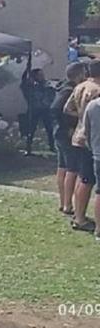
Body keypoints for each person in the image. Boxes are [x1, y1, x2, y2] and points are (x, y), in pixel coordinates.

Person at [63, 59, 100, 232]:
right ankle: (80, 218)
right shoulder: (96, 90)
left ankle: (79, 214)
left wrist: (81, 117)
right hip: (91, 139)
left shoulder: (80, 86)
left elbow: (67, 108)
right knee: (88, 180)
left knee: (82, 177)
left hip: (79, 134)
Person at [53, 62, 87, 215]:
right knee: (72, 169)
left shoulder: (62, 87)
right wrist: (69, 125)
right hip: (66, 133)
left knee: (63, 167)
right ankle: (67, 204)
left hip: (59, 132)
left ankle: (63, 202)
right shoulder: (68, 90)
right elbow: (56, 108)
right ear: (79, 75)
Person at [20, 67, 56, 155]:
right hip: (34, 109)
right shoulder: (30, 87)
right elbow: (23, 84)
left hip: (46, 109)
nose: (42, 76)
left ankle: (52, 146)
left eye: (42, 74)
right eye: (40, 75)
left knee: (50, 129)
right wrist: (27, 72)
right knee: (30, 129)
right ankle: (28, 147)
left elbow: (52, 92)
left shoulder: (47, 85)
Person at [80, 96, 100, 242]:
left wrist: (92, 147)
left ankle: (99, 228)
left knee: (99, 191)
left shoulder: (92, 105)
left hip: (97, 153)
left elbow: (86, 130)